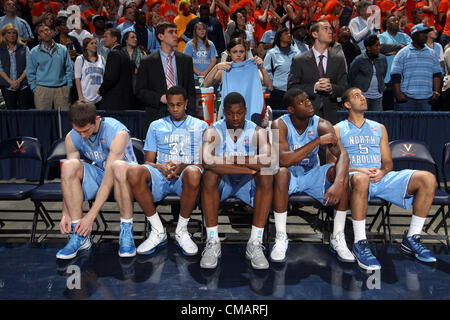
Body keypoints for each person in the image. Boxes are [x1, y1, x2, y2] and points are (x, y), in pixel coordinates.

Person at [333, 87, 437, 270]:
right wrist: (360, 169)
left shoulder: (379, 127)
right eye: (357, 96)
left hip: (379, 177)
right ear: (347, 104)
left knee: (427, 178)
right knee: (361, 179)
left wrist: (382, 172)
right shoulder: (337, 129)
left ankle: (412, 237)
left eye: (363, 95)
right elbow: (331, 164)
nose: (363, 98)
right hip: (352, 177)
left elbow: (388, 163)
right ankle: (360, 242)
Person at [121, 85, 208, 257]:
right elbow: (148, 161)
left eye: (179, 104)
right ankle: (157, 230)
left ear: (186, 103)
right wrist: (159, 166)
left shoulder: (201, 126)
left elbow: (204, 164)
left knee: (193, 171)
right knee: (134, 172)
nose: (175, 108)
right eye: (171, 105)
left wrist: (183, 165)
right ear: (166, 105)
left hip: (186, 174)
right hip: (161, 173)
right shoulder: (156, 126)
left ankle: (181, 231)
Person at [269, 87, 351, 264]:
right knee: (281, 172)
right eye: (301, 102)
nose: (308, 103)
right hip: (288, 175)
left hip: (312, 174)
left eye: (308, 99)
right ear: (291, 109)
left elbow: (343, 155)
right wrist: (317, 142)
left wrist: (338, 183)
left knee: (341, 174)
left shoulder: (322, 124)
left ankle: (338, 236)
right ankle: (281, 236)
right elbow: (283, 160)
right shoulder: (279, 125)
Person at [200, 92, 274, 270]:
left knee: (266, 174)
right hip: (223, 182)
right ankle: (212, 242)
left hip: (246, 184)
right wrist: (248, 165)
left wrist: (232, 160)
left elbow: (268, 160)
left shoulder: (257, 131)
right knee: (209, 175)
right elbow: (206, 161)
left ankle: (255, 243)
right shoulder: (213, 130)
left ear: (245, 111)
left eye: (239, 113)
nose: (235, 117)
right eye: (230, 113)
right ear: (223, 112)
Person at [56, 100, 137, 259]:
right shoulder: (72, 137)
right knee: (68, 166)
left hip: (127, 177)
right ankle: (79, 235)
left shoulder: (117, 132)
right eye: (78, 132)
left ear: (97, 120)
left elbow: (109, 181)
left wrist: (90, 217)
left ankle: (127, 230)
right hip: (101, 173)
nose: (83, 136)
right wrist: (65, 212)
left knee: (119, 168)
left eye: (86, 130)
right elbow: (69, 178)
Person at [136, 21, 196, 131]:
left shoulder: (185, 60)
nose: (175, 35)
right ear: (160, 36)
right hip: (157, 116)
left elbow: (191, 92)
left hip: (183, 118)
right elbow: (140, 91)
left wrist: (191, 118)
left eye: (175, 32)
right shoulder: (147, 62)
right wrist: (160, 98)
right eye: (171, 32)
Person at [287, 20, 348, 126]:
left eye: (331, 29)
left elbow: (344, 88)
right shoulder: (299, 60)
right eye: (325, 29)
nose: (330, 32)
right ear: (315, 34)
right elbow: (292, 88)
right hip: (306, 117)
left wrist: (331, 88)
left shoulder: (339, 60)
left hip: (331, 117)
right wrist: (314, 88)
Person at [204, 37, 272, 125]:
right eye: (235, 52)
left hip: (251, 114)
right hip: (230, 115)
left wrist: (262, 67)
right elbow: (206, 84)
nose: (238, 55)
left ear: (245, 52)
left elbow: (269, 85)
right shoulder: (224, 70)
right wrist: (216, 67)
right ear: (229, 53)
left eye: (241, 51)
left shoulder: (253, 68)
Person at [390, 23, 441, 111]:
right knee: (407, 124)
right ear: (413, 35)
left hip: (426, 98)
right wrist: (398, 93)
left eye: (426, 33)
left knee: (424, 124)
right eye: (422, 33)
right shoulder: (403, 53)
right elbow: (395, 74)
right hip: (407, 98)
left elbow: (437, 74)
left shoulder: (432, 54)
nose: (425, 35)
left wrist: (436, 92)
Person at [26, 23, 73, 110]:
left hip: (61, 89)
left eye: (47, 30)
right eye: (42, 31)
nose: (46, 32)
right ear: (39, 36)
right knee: (43, 120)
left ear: (51, 32)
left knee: (63, 119)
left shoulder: (62, 49)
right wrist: (34, 88)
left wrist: (68, 85)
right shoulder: (34, 52)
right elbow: (30, 72)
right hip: (42, 89)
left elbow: (69, 68)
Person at [377, 14, 411, 110]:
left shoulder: (404, 36)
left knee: (402, 108)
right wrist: (400, 47)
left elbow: (410, 49)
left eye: (397, 20)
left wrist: (392, 52)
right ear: (387, 24)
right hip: (386, 78)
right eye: (394, 20)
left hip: (402, 78)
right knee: (388, 108)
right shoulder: (381, 36)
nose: (397, 22)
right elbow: (381, 48)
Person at [98, 28, 134, 110]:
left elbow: (111, 78)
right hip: (125, 100)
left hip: (114, 101)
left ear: (114, 39)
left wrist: (101, 89)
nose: (103, 39)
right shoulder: (124, 53)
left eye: (106, 37)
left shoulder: (113, 54)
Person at [263, 27, 299, 110]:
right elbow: (266, 71)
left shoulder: (297, 52)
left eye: (289, 33)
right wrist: (271, 87)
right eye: (286, 33)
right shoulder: (271, 53)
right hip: (278, 93)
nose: (289, 35)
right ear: (280, 37)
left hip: (294, 91)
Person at [349, 34, 387, 111]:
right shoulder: (359, 59)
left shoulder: (382, 58)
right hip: (362, 96)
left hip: (378, 96)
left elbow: (383, 74)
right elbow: (351, 76)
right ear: (368, 47)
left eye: (379, 45)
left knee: (376, 121)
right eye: (376, 46)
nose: (378, 48)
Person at [0, 23, 33, 109]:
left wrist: (18, 81)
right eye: (9, 33)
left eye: (14, 33)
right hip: (7, 87)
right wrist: (10, 82)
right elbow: (0, 68)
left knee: (24, 113)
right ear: (4, 35)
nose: (12, 35)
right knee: (10, 113)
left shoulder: (24, 48)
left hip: (23, 86)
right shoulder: (1, 49)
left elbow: (29, 66)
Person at [183, 21, 217, 86]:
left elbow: (213, 60)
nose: (202, 31)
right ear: (195, 31)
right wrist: (199, 73)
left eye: (204, 29)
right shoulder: (190, 44)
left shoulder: (211, 44)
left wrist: (205, 72)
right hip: (194, 77)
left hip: (208, 76)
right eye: (199, 29)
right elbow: (188, 61)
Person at [74, 36, 105, 105]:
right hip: (86, 97)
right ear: (86, 46)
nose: (95, 45)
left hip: (99, 97)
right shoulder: (80, 59)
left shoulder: (101, 58)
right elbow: (77, 79)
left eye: (95, 43)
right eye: (92, 43)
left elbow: (104, 77)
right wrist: (80, 96)